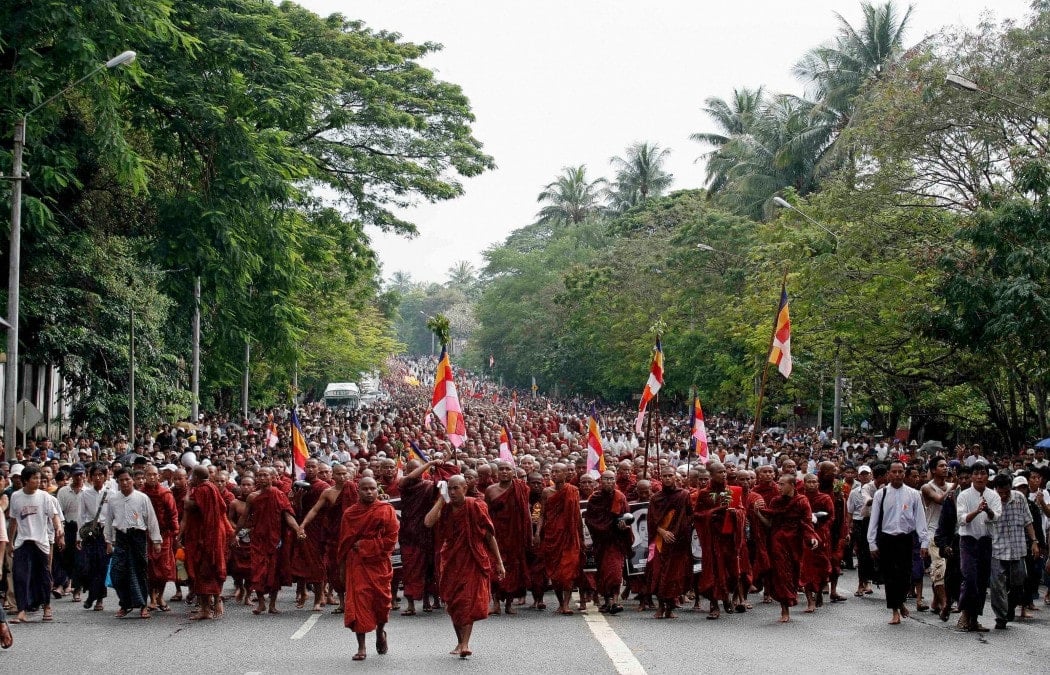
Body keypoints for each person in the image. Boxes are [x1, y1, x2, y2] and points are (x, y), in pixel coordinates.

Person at [425, 474, 505, 659]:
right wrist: (440, 499)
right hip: (451, 558)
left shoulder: (476, 505)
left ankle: (465, 643)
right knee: (454, 601)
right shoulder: (444, 507)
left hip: (472, 558)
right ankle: (459, 641)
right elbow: (428, 522)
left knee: (468, 600)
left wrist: (499, 562)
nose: (452, 492)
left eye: (456, 488)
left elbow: (488, 536)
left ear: (465, 488)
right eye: (450, 488)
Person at [338, 477, 399, 662]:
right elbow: (344, 543)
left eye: (372, 488)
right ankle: (361, 646)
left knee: (381, 602)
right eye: (364, 489)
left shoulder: (386, 510)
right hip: (357, 563)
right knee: (359, 602)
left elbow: (391, 539)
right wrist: (341, 567)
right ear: (358, 491)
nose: (369, 492)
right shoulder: (350, 513)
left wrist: (367, 545)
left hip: (379, 562)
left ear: (377, 490)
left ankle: (380, 632)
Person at [867, 461, 929, 625]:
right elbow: (874, 520)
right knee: (890, 575)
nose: (897, 475)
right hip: (887, 538)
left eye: (900, 472)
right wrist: (872, 543)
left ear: (904, 473)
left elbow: (920, 519)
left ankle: (900, 602)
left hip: (906, 538)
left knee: (905, 574)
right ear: (888, 474)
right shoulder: (882, 493)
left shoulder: (914, 494)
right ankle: (895, 610)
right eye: (894, 472)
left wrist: (924, 542)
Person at [758, 473, 818, 623]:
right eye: (778, 484)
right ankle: (784, 610)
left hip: (795, 542)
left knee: (795, 572)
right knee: (781, 574)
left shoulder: (802, 501)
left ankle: (805, 599)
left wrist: (812, 537)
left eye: (782, 484)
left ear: (792, 485)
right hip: (778, 541)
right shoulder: (775, 501)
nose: (778, 487)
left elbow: (806, 522)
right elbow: (770, 524)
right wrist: (758, 513)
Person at [238, 467, 298, 615]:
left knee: (274, 571)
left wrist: (298, 529)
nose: (262, 478)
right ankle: (261, 603)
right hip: (258, 539)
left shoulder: (279, 495)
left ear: (273, 478)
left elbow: (287, 516)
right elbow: (244, 517)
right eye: (259, 475)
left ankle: (272, 604)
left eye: (265, 475)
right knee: (257, 570)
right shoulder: (252, 497)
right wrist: (234, 534)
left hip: (275, 539)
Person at [104, 468, 162, 619]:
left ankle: (143, 605)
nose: (124, 483)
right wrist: (108, 541)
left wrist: (156, 540)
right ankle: (125, 603)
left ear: (133, 480)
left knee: (139, 572)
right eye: (121, 480)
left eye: (127, 479)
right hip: (121, 538)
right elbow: (109, 521)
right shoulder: (113, 499)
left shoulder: (142, 498)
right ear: (117, 482)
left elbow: (151, 519)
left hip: (137, 536)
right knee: (117, 573)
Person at [9, 466, 64, 623]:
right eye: (34, 478)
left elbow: (54, 516)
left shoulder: (44, 497)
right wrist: (10, 542)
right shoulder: (16, 497)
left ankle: (46, 606)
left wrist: (58, 529)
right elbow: (13, 520)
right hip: (23, 541)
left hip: (41, 541)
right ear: (25, 480)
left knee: (44, 575)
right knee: (20, 576)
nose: (38, 481)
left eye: (39, 478)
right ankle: (21, 610)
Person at [693, 460, 747, 617]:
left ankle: (727, 599)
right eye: (720, 472)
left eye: (725, 471)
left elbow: (742, 511)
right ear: (711, 475)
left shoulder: (733, 491)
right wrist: (714, 512)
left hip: (729, 537)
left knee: (732, 571)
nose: (724, 474)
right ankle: (714, 605)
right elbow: (697, 515)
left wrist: (734, 513)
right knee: (714, 570)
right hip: (713, 538)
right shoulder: (704, 493)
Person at [183, 465, 234, 620]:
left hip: (205, 535)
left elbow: (188, 505)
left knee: (204, 568)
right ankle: (210, 605)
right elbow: (222, 509)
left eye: (192, 477)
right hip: (214, 532)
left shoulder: (202, 490)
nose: (191, 480)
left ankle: (208, 607)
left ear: (197, 478)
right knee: (213, 566)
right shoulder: (212, 488)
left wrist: (187, 490)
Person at [955, 462, 1001, 632]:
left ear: (987, 476)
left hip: (985, 541)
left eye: (983, 473)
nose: (980, 477)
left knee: (982, 582)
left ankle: (974, 618)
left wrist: (987, 510)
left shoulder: (993, 496)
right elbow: (961, 519)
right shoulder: (964, 495)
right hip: (968, 541)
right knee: (970, 578)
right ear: (972, 476)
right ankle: (964, 613)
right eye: (976, 474)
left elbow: (996, 517)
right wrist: (976, 511)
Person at [989, 474, 1038, 629]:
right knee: (997, 586)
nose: (1003, 495)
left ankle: (1010, 607)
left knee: (1018, 583)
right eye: (1000, 492)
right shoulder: (990, 499)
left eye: (1006, 492)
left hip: (1017, 548)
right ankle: (1000, 617)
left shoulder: (1019, 498)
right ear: (996, 489)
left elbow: (1028, 521)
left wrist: (1034, 541)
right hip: (997, 548)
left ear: (1011, 488)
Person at [484, 460, 532, 615]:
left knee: (514, 569)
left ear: (513, 472)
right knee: (494, 568)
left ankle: (509, 604)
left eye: (507, 469)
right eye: (501, 469)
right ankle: (496, 602)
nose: (504, 472)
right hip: (496, 535)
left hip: (515, 536)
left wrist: (530, 534)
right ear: (497, 473)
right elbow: (484, 514)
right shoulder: (490, 490)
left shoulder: (521, 489)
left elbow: (527, 513)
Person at [537, 463, 583, 616]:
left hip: (569, 536)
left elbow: (577, 516)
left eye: (558, 472)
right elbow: (542, 514)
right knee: (555, 573)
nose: (554, 474)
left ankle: (566, 604)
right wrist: (538, 533)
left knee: (568, 571)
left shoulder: (573, 490)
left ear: (565, 474)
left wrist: (581, 537)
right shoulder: (546, 492)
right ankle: (559, 602)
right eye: (553, 471)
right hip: (552, 536)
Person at [584, 470, 632, 614]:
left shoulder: (620, 497)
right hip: (601, 541)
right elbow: (589, 520)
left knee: (615, 572)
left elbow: (627, 516)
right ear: (600, 481)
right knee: (603, 573)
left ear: (615, 481)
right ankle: (606, 601)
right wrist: (604, 528)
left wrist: (624, 526)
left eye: (611, 479)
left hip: (616, 541)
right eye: (606, 479)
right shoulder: (595, 498)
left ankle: (614, 602)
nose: (609, 482)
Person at [648, 465, 693, 619]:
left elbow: (688, 515)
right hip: (662, 540)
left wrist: (680, 531)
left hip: (678, 541)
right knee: (660, 573)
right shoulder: (656, 498)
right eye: (665, 476)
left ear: (675, 477)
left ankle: (670, 608)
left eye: (670, 476)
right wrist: (662, 532)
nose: (667, 478)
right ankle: (661, 607)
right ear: (661, 479)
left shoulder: (684, 495)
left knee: (674, 575)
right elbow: (652, 521)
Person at [141, 464, 179, 612]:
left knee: (164, 568)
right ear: (145, 476)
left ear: (159, 476)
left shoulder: (165, 493)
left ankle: (161, 596)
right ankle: (152, 598)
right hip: (146, 535)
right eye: (149, 474)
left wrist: (174, 531)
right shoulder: (141, 493)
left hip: (163, 535)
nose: (152, 477)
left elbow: (173, 514)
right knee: (149, 568)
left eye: (154, 475)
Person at [76, 463, 111, 612]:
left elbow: (112, 516)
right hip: (91, 533)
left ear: (105, 476)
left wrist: (111, 538)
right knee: (89, 566)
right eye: (95, 475)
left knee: (102, 567)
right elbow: (81, 515)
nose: (98, 478)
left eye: (100, 475)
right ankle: (91, 594)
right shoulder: (85, 494)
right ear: (90, 477)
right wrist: (79, 536)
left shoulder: (111, 493)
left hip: (105, 533)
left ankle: (98, 599)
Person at [921, 456, 952, 616]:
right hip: (933, 532)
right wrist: (956, 486)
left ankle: (935, 600)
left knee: (947, 570)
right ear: (933, 470)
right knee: (939, 567)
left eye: (946, 465)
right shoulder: (927, 487)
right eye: (941, 466)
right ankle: (945, 603)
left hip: (948, 534)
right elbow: (940, 500)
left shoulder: (951, 486)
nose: (945, 468)